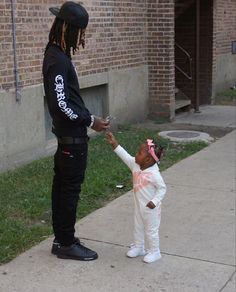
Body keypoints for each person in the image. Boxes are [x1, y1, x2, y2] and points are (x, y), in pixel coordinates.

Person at [42, 1, 109, 261]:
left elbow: (64, 99)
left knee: (63, 189)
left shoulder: (57, 53)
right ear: (68, 28)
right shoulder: (57, 59)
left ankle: (62, 239)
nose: (81, 37)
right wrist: (90, 120)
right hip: (72, 140)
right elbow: (61, 105)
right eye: (80, 31)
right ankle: (66, 243)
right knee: (68, 191)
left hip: (69, 138)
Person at [106, 132, 166, 263]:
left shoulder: (154, 174)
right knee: (138, 226)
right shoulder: (136, 164)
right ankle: (139, 247)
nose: (136, 155)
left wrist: (154, 201)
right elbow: (125, 157)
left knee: (151, 230)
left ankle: (155, 251)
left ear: (148, 160)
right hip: (139, 205)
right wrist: (114, 144)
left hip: (151, 209)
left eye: (139, 153)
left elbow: (162, 189)